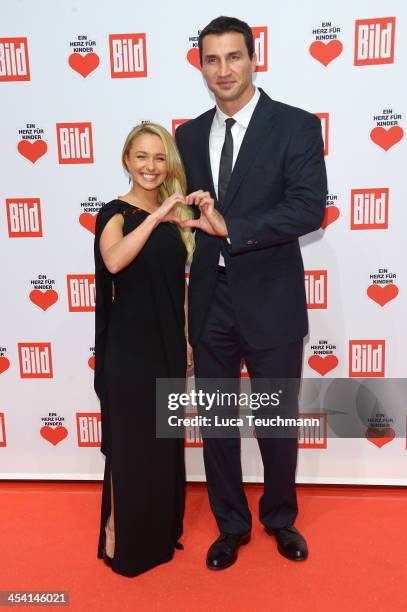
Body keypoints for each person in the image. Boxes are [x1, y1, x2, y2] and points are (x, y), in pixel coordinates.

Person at [175, 16, 327, 569]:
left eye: (233, 57)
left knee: (275, 421)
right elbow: (180, 219)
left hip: (271, 297)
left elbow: (309, 208)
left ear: (253, 57)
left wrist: (233, 227)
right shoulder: (187, 135)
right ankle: (230, 525)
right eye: (211, 60)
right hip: (209, 300)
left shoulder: (296, 126)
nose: (223, 70)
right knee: (215, 422)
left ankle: (280, 519)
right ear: (201, 66)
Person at [94, 123, 194, 577]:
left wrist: (188, 338)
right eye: (141, 156)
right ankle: (118, 533)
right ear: (126, 160)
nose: (150, 166)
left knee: (162, 444)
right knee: (130, 447)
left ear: (168, 163)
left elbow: (180, 288)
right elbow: (114, 261)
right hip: (129, 350)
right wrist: (154, 217)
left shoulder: (178, 218)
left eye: (159, 158)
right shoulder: (114, 212)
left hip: (168, 345)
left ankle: (156, 533)